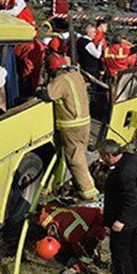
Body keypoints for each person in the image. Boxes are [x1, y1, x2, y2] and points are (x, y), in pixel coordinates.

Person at [99, 139, 137, 274]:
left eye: (103, 156)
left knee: (120, 251)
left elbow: (131, 198)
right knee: (134, 246)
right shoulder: (132, 159)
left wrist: (121, 220)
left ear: (109, 155)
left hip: (126, 217)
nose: (102, 159)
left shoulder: (124, 174)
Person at [44, 54, 98, 200]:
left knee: (75, 160)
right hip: (85, 123)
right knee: (79, 156)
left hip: (71, 126)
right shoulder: (75, 75)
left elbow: (49, 95)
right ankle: (58, 185)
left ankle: (89, 194)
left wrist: (41, 89)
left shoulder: (60, 80)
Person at [35, 200, 107, 274]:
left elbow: (87, 256)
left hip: (100, 218)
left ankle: (96, 257)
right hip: (86, 211)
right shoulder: (47, 219)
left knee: (91, 246)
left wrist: (76, 268)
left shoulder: (74, 236)